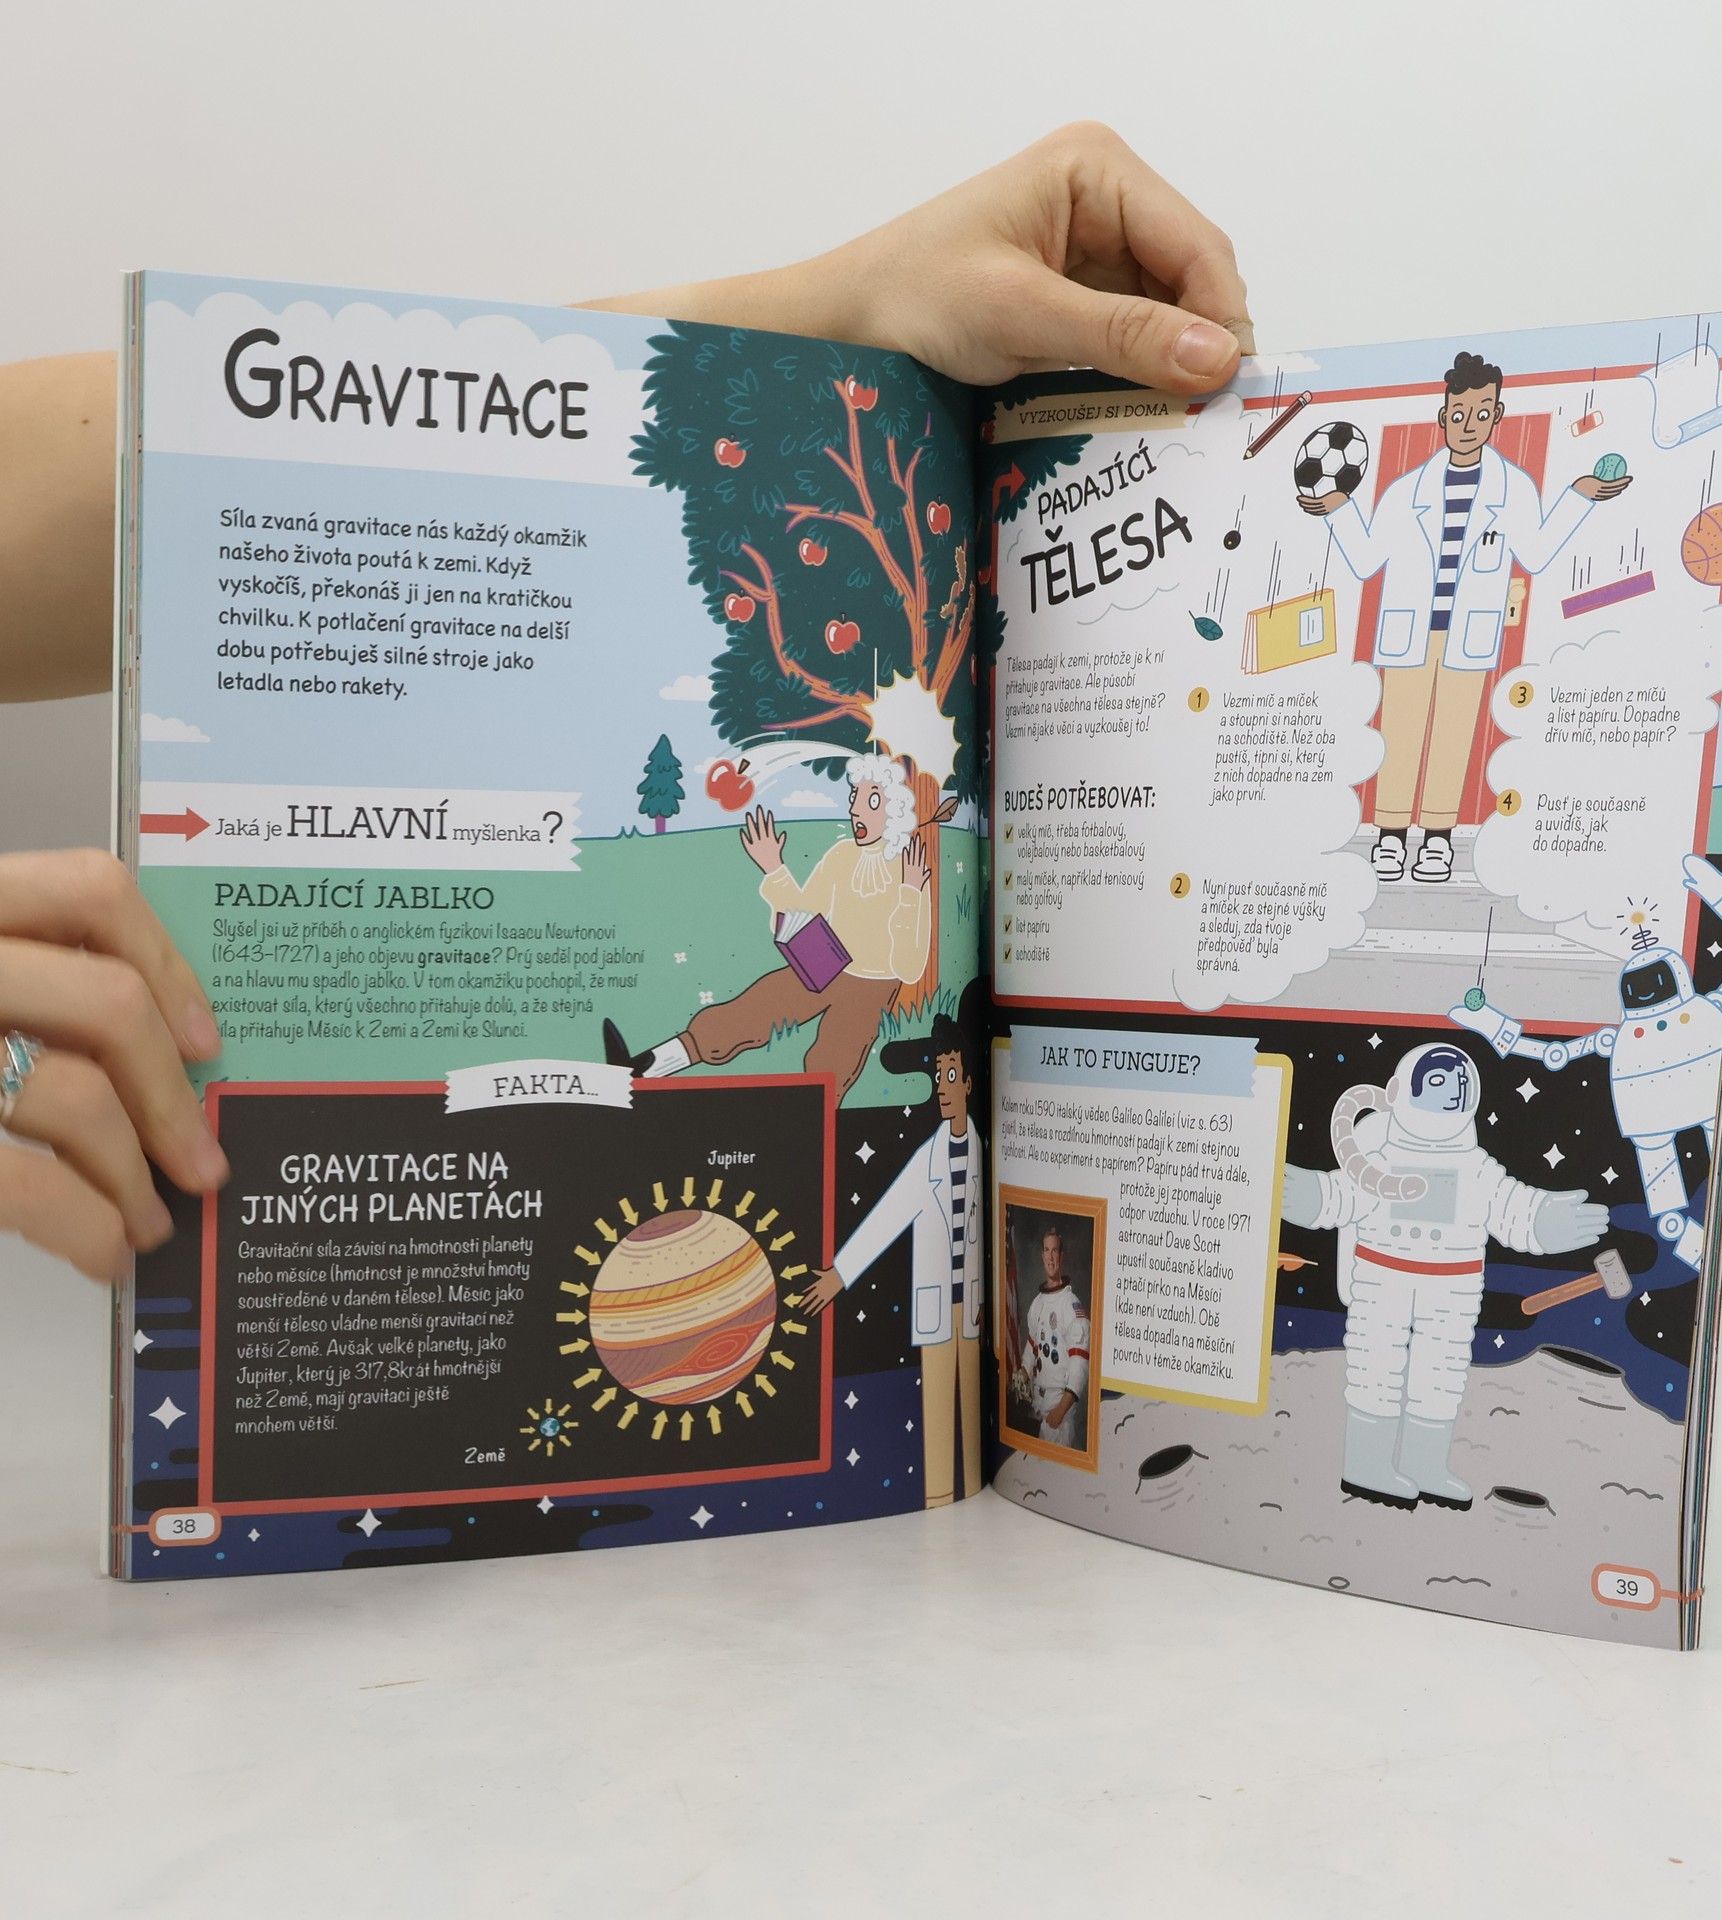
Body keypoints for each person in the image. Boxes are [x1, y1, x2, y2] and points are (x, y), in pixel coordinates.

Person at [0, 123, 1255, 1289]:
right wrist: (778, 881)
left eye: (882, 788)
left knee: (820, 1045)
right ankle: (662, 1069)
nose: (867, 796)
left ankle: (778, 1117)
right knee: (754, 1013)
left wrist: (846, 307)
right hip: (826, 967)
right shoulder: (862, 850)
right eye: (868, 786)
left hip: (860, 985)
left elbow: (176, 470)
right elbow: (813, 922)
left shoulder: (910, 865)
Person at [1298, 350, 1632, 885]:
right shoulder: (1405, 492)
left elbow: (1537, 553)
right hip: (1409, 634)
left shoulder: (1513, 489)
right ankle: (1389, 835)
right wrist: (1339, 509)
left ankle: (1436, 838)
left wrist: (1579, 497)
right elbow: (1364, 561)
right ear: (1443, 417)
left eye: (1480, 414)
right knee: (1401, 734)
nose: (1468, 425)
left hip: (1468, 637)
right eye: (1458, 414)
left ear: (1496, 416)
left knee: (1452, 736)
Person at [1279, 1042, 1609, 1512]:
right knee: (1375, 1366)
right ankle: (1367, 1465)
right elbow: (1342, 1195)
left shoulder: (1474, 1168)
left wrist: (1544, 1221)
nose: (1450, 1092)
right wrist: (1310, 1195)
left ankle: (1425, 1465)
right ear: (1400, 1091)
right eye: (1436, 1082)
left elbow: (1511, 1207)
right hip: (1382, 1278)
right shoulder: (1377, 1160)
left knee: (1441, 1374)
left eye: (1458, 1085)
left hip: (1451, 1290)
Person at [603, 755, 931, 1105]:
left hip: (873, 983)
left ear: (894, 810)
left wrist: (910, 893)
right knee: (745, 1014)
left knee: (834, 1057)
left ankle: (812, 1124)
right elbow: (804, 913)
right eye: (855, 797)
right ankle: (641, 1070)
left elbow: (910, 968)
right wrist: (775, 868)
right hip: (827, 963)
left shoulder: (908, 868)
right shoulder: (841, 855)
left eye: (872, 800)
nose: (855, 809)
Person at [798, 1013, 981, 1505]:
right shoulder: (928, 1159)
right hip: (938, 1306)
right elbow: (887, 1217)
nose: (942, 1088)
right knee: (938, 1406)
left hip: (973, 1307)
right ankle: (940, 1496)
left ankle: (972, 1478)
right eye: (938, 1075)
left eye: (950, 1075)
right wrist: (840, 1274)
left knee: (972, 1405)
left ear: (968, 1082)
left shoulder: (979, 1146)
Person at [1015, 1225, 1091, 1451]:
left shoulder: (1071, 1305)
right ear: (1042, 1256)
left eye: (1054, 1251)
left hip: (1059, 1414)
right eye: (1046, 1251)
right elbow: (1033, 1344)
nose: (1050, 1257)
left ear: (1061, 1256)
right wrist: (1024, 1371)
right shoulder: (1038, 1303)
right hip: (1037, 1407)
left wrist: (1060, 1411)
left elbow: (1080, 1365)